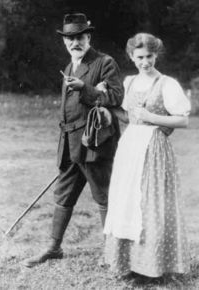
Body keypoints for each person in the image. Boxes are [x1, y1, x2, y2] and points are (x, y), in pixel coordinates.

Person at [22, 13, 123, 267]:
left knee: (104, 196)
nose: (74, 42)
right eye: (69, 38)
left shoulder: (104, 62)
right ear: (64, 41)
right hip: (69, 145)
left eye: (79, 37)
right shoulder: (69, 67)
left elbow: (116, 97)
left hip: (94, 143)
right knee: (63, 196)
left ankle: (112, 252)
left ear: (88, 37)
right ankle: (53, 248)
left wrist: (85, 89)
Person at [104, 33, 191, 280]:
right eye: (140, 57)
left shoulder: (167, 83)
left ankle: (152, 267)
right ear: (131, 57)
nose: (145, 62)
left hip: (154, 148)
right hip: (130, 147)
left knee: (150, 203)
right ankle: (128, 263)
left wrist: (151, 117)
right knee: (127, 202)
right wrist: (104, 102)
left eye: (149, 56)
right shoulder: (129, 82)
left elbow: (183, 120)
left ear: (156, 55)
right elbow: (129, 116)